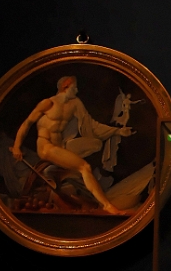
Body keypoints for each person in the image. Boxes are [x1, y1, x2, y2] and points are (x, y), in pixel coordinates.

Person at [9, 75, 132, 215]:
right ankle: (107, 206)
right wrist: (17, 146)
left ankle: (58, 173)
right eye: (75, 87)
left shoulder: (75, 104)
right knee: (84, 167)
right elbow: (27, 123)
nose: (77, 90)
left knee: (96, 144)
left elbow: (91, 125)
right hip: (46, 147)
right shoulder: (48, 103)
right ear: (65, 86)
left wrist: (118, 131)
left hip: (61, 146)